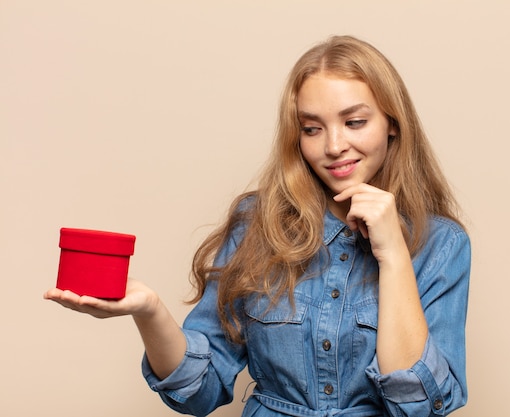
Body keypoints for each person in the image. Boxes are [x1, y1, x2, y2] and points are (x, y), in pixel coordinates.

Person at [45, 35, 471, 417]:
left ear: (392, 123)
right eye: (312, 128)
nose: (334, 145)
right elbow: (199, 390)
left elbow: (416, 405)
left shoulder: (442, 244)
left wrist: (393, 253)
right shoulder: (257, 224)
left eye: (354, 122)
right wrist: (149, 310)